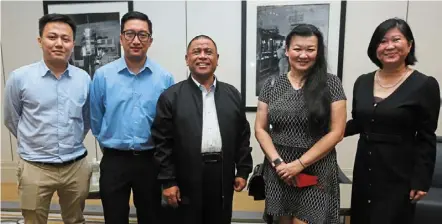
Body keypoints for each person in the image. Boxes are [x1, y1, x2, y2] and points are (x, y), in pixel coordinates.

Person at [345, 18, 440, 224]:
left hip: (399, 172)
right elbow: (360, 122)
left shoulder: (425, 84)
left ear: (409, 45)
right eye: (382, 41)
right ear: (375, 48)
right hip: (364, 167)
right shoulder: (363, 81)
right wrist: (326, 130)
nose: (389, 46)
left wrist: (421, 180)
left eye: (396, 39)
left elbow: (426, 136)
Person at [151, 35, 253, 224]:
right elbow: (162, 143)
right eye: (196, 52)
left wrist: (243, 170)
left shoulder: (232, 94)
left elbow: (242, 136)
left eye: (208, 52)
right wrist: (168, 181)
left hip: (222, 175)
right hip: (185, 176)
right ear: (187, 59)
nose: (203, 56)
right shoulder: (171, 97)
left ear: (217, 59)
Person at [3, 13, 91, 224]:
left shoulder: (84, 79)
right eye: (52, 37)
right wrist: (33, 140)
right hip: (35, 166)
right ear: (40, 40)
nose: (59, 43)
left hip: (75, 166)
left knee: (76, 219)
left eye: (66, 38)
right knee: (33, 219)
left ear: (73, 43)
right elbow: (11, 118)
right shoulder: (20, 78)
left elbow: (86, 119)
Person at [255, 24, 347, 224]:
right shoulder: (271, 85)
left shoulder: (331, 84)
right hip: (280, 169)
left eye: (310, 49)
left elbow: (337, 132)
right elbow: (260, 129)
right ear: (287, 51)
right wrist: (279, 163)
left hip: (316, 169)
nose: (303, 55)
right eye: (297, 49)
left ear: (318, 52)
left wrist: (299, 164)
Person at [89, 11, 174, 224]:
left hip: (150, 160)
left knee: (152, 216)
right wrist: (110, 142)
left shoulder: (164, 78)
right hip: (114, 160)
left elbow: (169, 123)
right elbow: (96, 118)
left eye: (142, 35)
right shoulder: (103, 76)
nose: (136, 40)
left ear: (150, 41)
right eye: (130, 34)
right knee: (114, 217)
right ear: (121, 38)